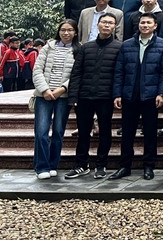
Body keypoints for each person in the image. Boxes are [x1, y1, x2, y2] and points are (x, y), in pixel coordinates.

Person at [109, 12, 163, 180]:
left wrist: (161, 93)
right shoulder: (127, 44)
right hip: (129, 94)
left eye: (148, 23)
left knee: (150, 132)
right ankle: (125, 165)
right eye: (142, 22)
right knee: (127, 132)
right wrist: (117, 93)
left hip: (151, 95)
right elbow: (119, 71)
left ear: (155, 26)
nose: (144, 25)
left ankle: (149, 165)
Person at [65, 13, 123, 179]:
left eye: (110, 23)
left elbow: (120, 74)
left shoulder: (120, 47)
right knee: (83, 132)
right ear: (98, 24)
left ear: (114, 27)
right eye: (104, 22)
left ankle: (101, 164)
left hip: (105, 97)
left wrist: (117, 94)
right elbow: (77, 73)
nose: (106, 25)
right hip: (84, 96)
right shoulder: (86, 47)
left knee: (104, 131)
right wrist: (73, 97)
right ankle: (81, 165)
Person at [31, 20, 78, 179]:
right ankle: (41, 166)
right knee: (41, 131)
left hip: (63, 96)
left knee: (58, 131)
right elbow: (37, 70)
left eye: (70, 30)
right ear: (58, 31)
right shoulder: (47, 47)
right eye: (63, 30)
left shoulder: (79, 50)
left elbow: (77, 75)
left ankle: (52, 164)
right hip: (43, 95)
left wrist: (61, 90)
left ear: (75, 32)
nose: (66, 33)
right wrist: (45, 90)